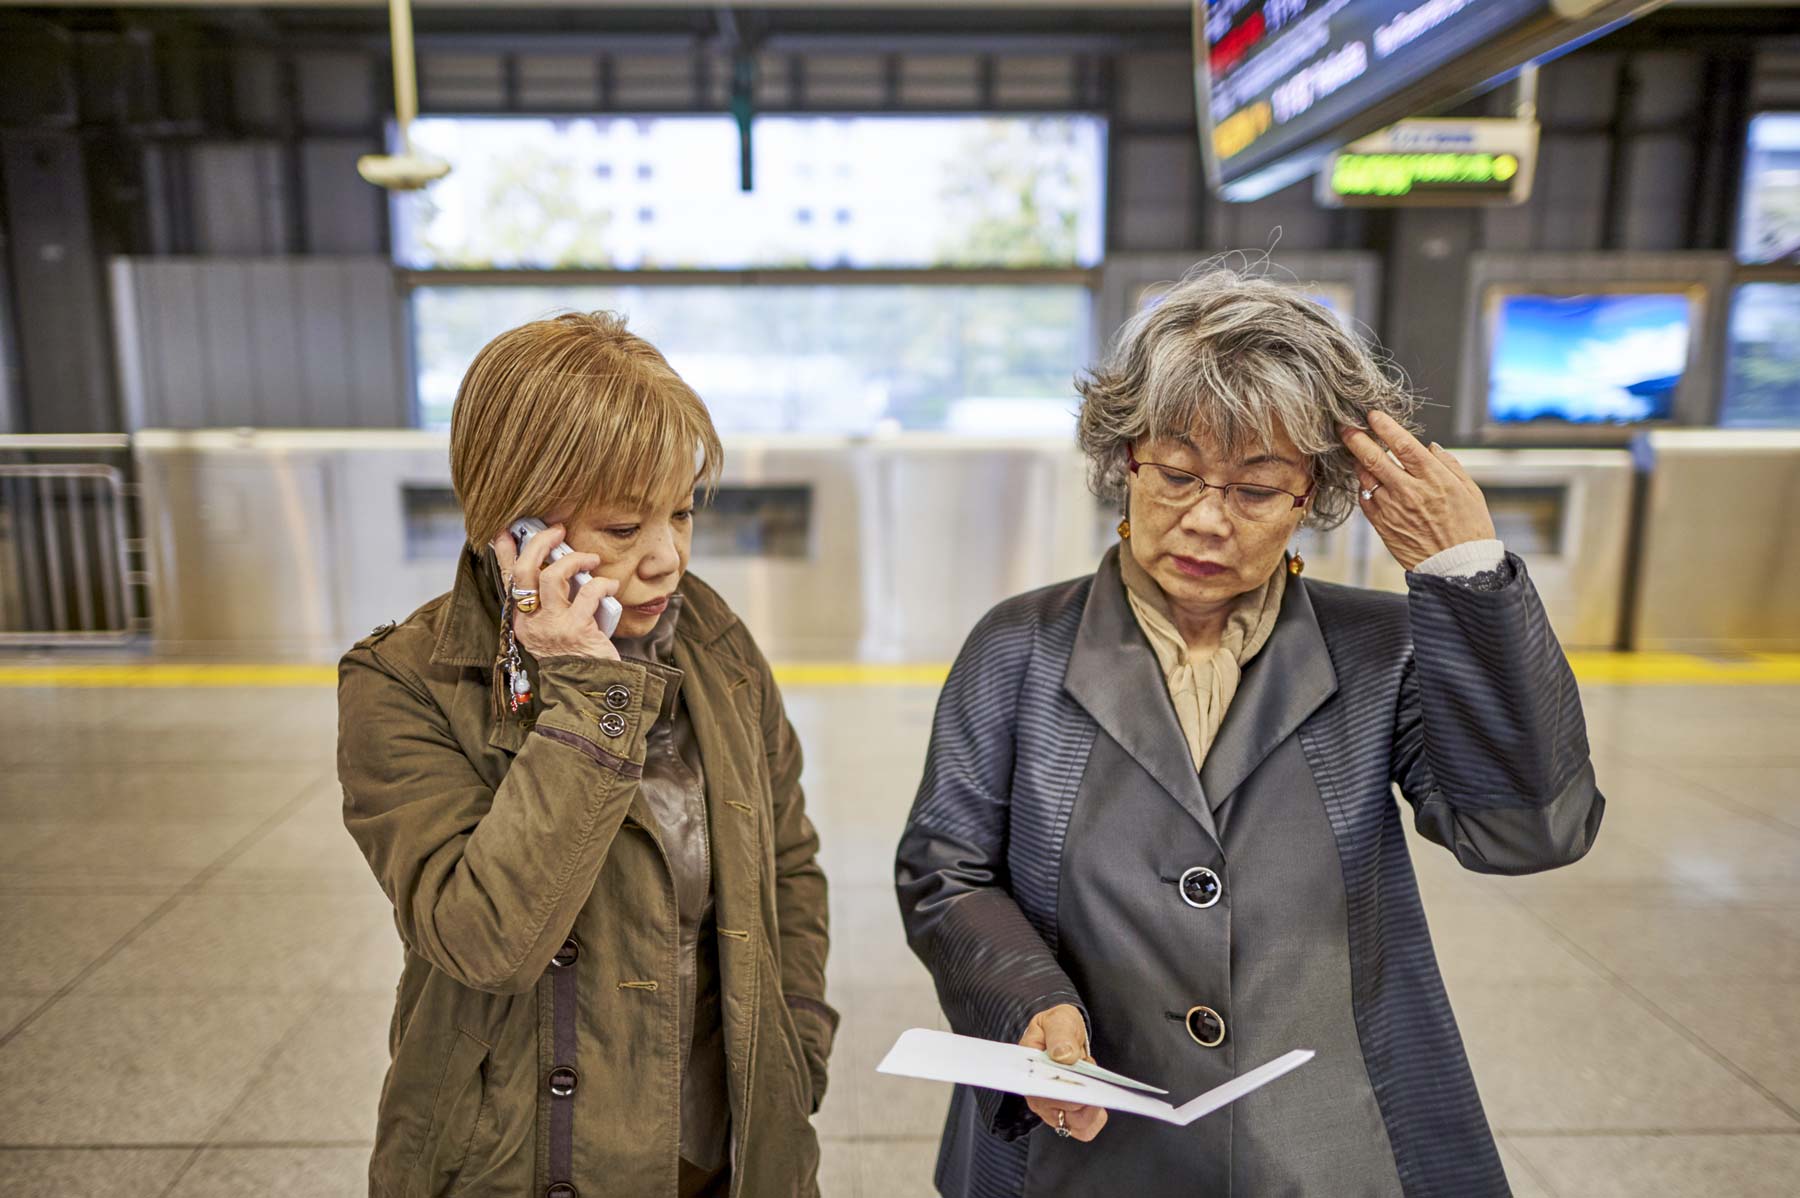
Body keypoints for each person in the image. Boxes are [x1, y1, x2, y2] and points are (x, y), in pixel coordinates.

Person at [895, 268, 1604, 1197]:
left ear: (1313, 494)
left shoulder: (1378, 649)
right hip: (1081, 1140)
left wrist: (1467, 575)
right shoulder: (1020, 646)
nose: (1205, 519)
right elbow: (946, 871)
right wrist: (1029, 999)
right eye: (1177, 474)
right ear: (1124, 464)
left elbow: (1527, 830)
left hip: (1328, 1143)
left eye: (1256, 489)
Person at [338, 312, 835, 1198]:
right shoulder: (406, 683)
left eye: (681, 513)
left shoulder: (713, 641)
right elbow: (486, 941)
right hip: (524, 1159)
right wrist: (587, 697)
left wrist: (795, 1052)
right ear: (514, 526)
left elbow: (786, 865)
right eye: (621, 528)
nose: (667, 560)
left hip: (723, 1149)